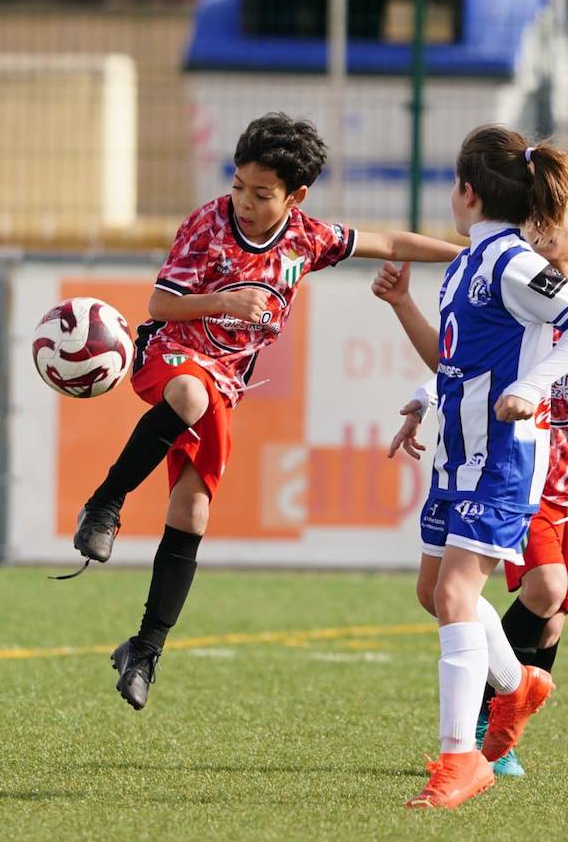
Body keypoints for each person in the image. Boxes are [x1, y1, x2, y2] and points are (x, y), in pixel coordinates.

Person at [65, 112, 463, 712]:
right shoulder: (206, 224)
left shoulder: (309, 237)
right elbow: (159, 303)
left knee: (194, 509)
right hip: (171, 356)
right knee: (189, 396)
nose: (244, 203)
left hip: (224, 385)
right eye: (238, 187)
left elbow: (391, 242)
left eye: (261, 194)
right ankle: (105, 504)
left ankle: (144, 650)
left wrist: (471, 254)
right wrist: (224, 298)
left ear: (295, 196)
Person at [373, 162, 568, 780]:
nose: (536, 228)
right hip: (516, 464)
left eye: (548, 217)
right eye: (531, 215)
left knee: (550, 616)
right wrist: (427, 393)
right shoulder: (512, 274)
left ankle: (504, 721)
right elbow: (465, 362)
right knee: (528, 591)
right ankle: (476, 730)